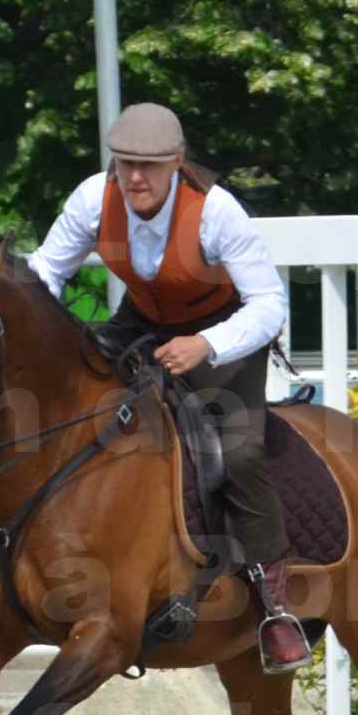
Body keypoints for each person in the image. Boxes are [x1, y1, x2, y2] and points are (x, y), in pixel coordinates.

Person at [28, 102, 310, 674]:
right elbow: (42, 273)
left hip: (225, 332)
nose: (135, 177)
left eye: (149, 166)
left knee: (237, 451)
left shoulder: (217, 213)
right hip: (142, 321)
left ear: (177, 164)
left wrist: (206, 345)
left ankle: (272, 605)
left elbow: (269, 305)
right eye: (126, 163)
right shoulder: (92, 198)